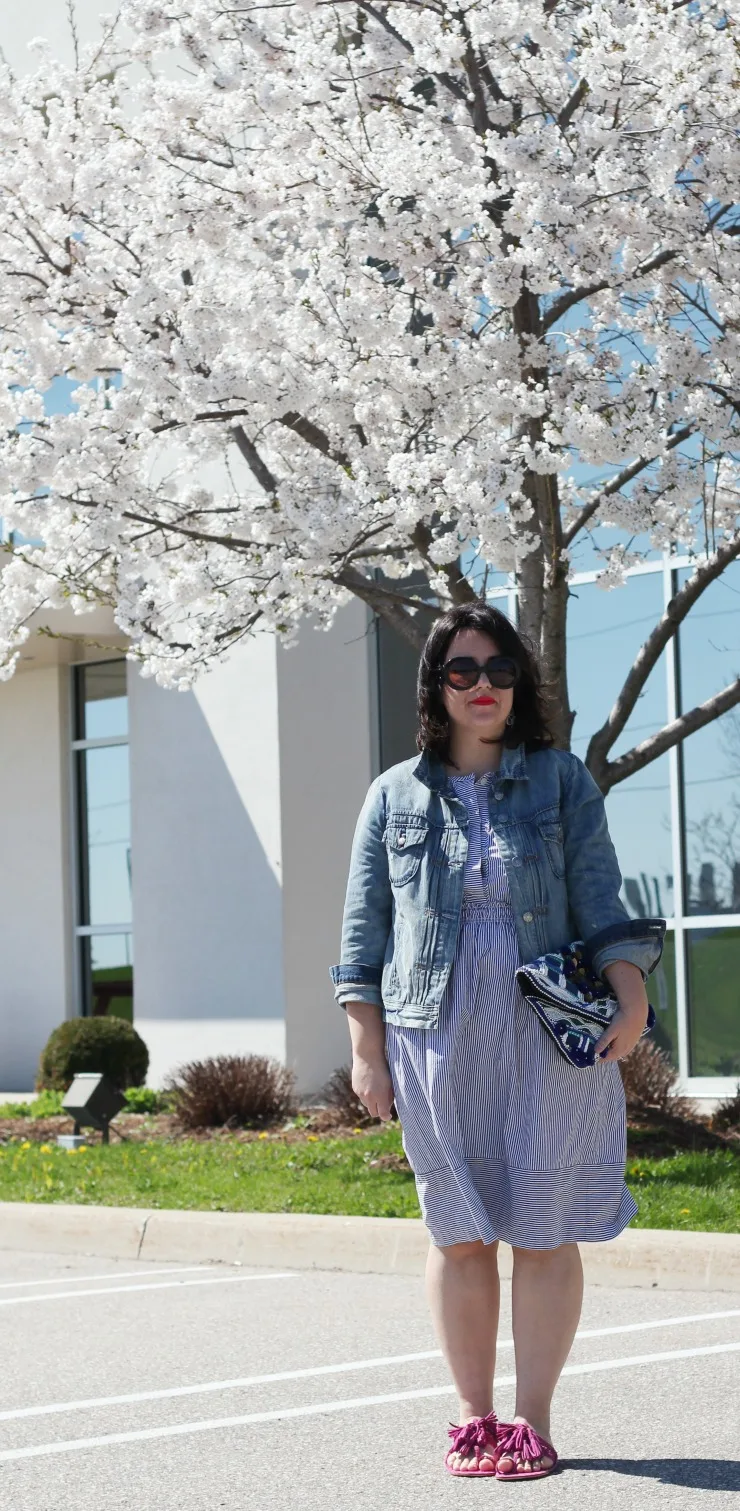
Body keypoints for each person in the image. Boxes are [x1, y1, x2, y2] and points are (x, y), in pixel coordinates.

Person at [329, 601, 665, 1480]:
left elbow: (600, 894)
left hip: (545, 1032)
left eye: (501, 670)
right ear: (436, 686)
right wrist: (366, 1047)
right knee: (460, 1229)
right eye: (464, 671)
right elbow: (361, 938)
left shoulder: (560, 781)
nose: (485, 687)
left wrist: (628, 993)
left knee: (543, 1226)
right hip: (434, 1027)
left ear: (521, 684)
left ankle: (534, 1419)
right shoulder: (392, 794)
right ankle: (473, 1419)